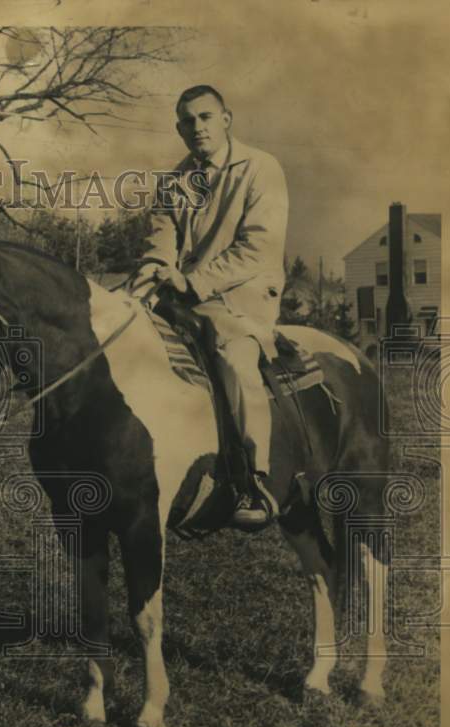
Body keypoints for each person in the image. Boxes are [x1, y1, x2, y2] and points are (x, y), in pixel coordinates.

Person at [135, 85, 289, 527]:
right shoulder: (174, 181)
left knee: (234, 357)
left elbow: (258, 248)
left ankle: (253, 479)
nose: (197, 126)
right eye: (187, 120)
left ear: (226, 119)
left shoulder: (261, 169)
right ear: (178, 128)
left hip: (242, 295)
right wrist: (152, 272)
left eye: (205, 116)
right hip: (185, 295)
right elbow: (159, 241)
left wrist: (193, 281)